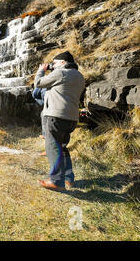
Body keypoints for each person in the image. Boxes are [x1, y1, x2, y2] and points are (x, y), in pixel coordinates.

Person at [34, 51, 86, 191]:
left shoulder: (61, 73)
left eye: (55, 63)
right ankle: (68, 179)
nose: (53, 65)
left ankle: (56, 181)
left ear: (63, 63)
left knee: (53, 148)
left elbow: (38, 83)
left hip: (56, 116)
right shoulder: (80, 76)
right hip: (71, 118)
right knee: (62, 147)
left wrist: (41, 70)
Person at [32, 87, 47, 156]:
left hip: (52, 109)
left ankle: (49, 150)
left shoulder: (46, 80)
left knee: (44, 114)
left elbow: (35, 94)